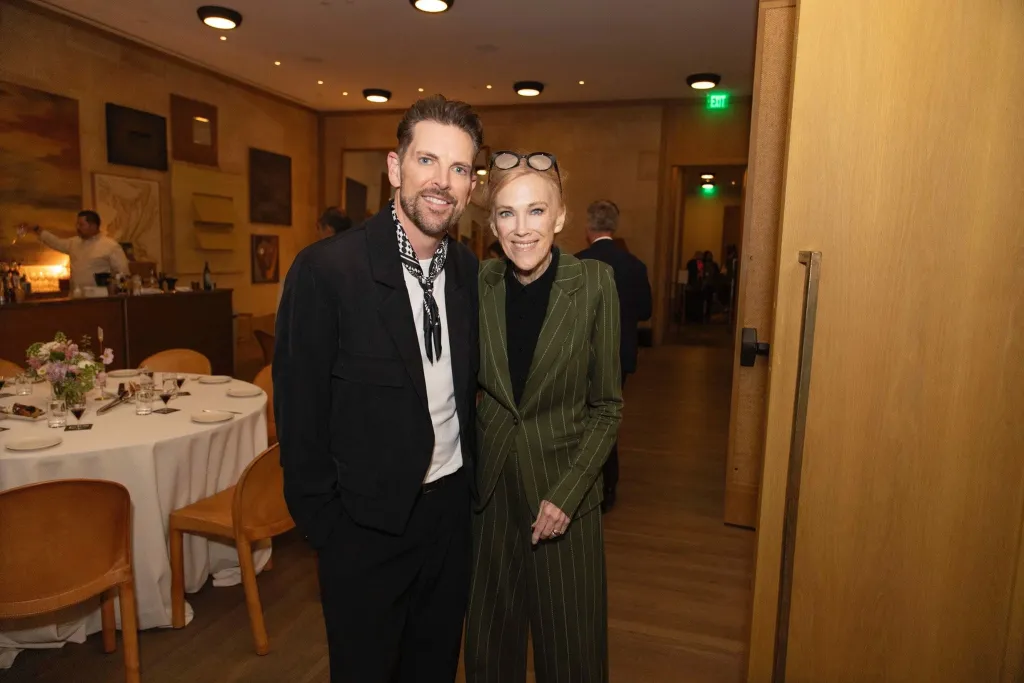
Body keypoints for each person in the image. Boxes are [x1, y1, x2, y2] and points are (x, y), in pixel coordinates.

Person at [274, 95, 481, 683]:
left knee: (435, 666)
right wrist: (329, 532)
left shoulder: (467, 272)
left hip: (449, 519)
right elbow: (299, 413)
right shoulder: (326, 271)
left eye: (460, 169)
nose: (442, 183)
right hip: (363, 531)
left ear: (470, 187)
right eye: (428, 161)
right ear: (394, 168)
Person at [466, 151, 622, 682]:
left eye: (536, 211)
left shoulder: (595, 284)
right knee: (490, 649)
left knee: (571, 653)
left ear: (560, 217)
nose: (522, 228)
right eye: (507, 214)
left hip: (565, 497)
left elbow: (607, 407)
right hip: (490, 495)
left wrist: (568, 492)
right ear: (491, 224)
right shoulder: (478, 284)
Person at [575, 199, 652, 511]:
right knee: (608, 417)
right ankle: (609, 485)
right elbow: (645, 311)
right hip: (620, 355)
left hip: (584, 354)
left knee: (583, 417)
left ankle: (587, 483)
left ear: (588, 228)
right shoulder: (634, 265)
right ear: (614, 227)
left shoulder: (577, 264)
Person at [18, 211, 129, 291]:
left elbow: (123, 273)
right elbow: (55, 242)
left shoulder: (110, 246)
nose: (77, 227)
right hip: (76, 297)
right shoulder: (74, 243)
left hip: (100, 300)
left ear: (93, 226)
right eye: (77, 224)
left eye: (81, 224)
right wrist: (37, 229)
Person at [276, 206, 352, 309]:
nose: (317, 234)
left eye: (319, 228)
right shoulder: (360, 259)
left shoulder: (311, 260)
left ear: (329, 230)